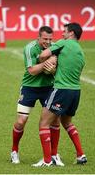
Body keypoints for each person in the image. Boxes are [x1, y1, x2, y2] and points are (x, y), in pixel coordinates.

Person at [32, 22, 87, 167]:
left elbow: (42, 55)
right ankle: (81, 155)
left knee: (44, 123)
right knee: (66, 122)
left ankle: (47, 160)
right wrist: (55, 70)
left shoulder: (64, 43)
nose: (62, 34)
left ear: (71, 34)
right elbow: (74, 72)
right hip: (76, 92)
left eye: (64, 31)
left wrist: (48, 60)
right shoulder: (81, 52)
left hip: (61, 90)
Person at [10, 26, 64, 166]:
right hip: (29, 88)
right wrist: (47, 63)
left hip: (48, 88)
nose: (48, 42)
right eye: (45, 39)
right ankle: (14, 150)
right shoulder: (30, 48)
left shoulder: (55, 48)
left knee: (55, 121)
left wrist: (52, 69)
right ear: (38, 37)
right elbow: (32, 71)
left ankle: (54, 155)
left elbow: (58, 70)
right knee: (21, 121)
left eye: (50, 39)